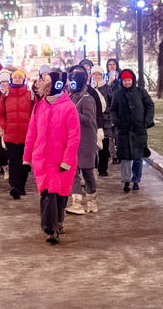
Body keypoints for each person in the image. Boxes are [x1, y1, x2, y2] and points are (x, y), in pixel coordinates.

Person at [24, 70, 80, 245]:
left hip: (60, 160)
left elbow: (74, 137)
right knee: (48, 193)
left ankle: (58, 222)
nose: (44, 83)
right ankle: (51, 228)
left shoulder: (69, 107)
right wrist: (26, 158)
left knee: (60, 194)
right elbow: (31, 133)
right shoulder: (39, 106)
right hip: (42, 159)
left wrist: (67, 160)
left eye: (48, 80)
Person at [111, 68, 154, 192]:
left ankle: (136, 180)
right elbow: (113, 110)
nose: (127, 83)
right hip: (124, 130)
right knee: (125, 157)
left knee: (138, 157)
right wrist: (118, 121)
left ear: (132, 80)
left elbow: (150, 105)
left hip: (139, 129)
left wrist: (146, 120)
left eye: (129, 80)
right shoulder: (117, 94)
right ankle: (126, 181)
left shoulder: (141, 92)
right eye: (124, 80)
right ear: (121, 81)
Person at [65, 65, 100, 215]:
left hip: (85, 141)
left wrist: (72, 111)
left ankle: (92, 202)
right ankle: (77, 203)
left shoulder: (88, 99)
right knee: (73, 172)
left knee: (88, 173)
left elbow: (88, 120)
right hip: (73, 142)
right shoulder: (71, 98)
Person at [0, 68, 33, 199]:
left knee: (24, 161)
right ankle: (14, 186)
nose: (17, 79)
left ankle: (21, 186)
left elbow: (36, 114)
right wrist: (4, 125)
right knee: (13, 161)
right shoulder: (6, 96)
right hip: (10, 134)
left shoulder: (30, 95)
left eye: (20, 77)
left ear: (24, 80)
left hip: (26, 135)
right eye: (15, 77)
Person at [90, 66, 113, 177]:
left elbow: (112, 103)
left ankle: (103, 168)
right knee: (92, 145)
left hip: (105, 120)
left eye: (99, 74)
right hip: (92, 120)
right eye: (95, 74)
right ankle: (93, 165)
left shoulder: (107, 88)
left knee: (104, 145)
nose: (97, 76)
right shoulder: (89, 88)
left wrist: (107, 112)